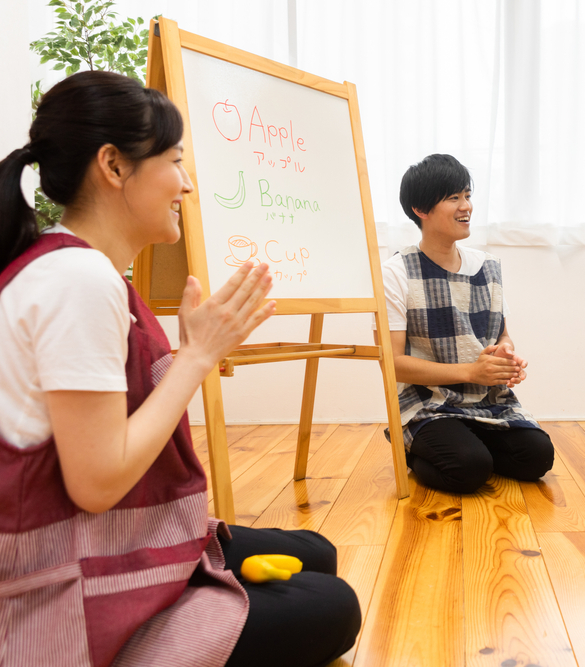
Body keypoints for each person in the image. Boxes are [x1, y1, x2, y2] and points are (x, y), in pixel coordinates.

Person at [0, 71, 361, 667]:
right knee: (334, 603)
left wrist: (199, 352)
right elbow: (97, 482)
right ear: (113, 166)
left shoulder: (83, 270)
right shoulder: (77, 282)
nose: (187, 184)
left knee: (314, 552)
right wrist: (196, 358)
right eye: (174, 161)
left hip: (96, 538)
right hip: (54, 590)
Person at [381, 154, 554, 494]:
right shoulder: (396, 271)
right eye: (453, 198)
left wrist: (505, 358)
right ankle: (412, 448)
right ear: (421, 209)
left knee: (537, 459)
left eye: (467, 195)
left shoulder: (488, 266)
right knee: (468, 469)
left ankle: (467, 443)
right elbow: (394, 364)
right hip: (427, 403)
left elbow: (502, 333)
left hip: (488, 399)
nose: (466, 207)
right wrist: (470, 372)